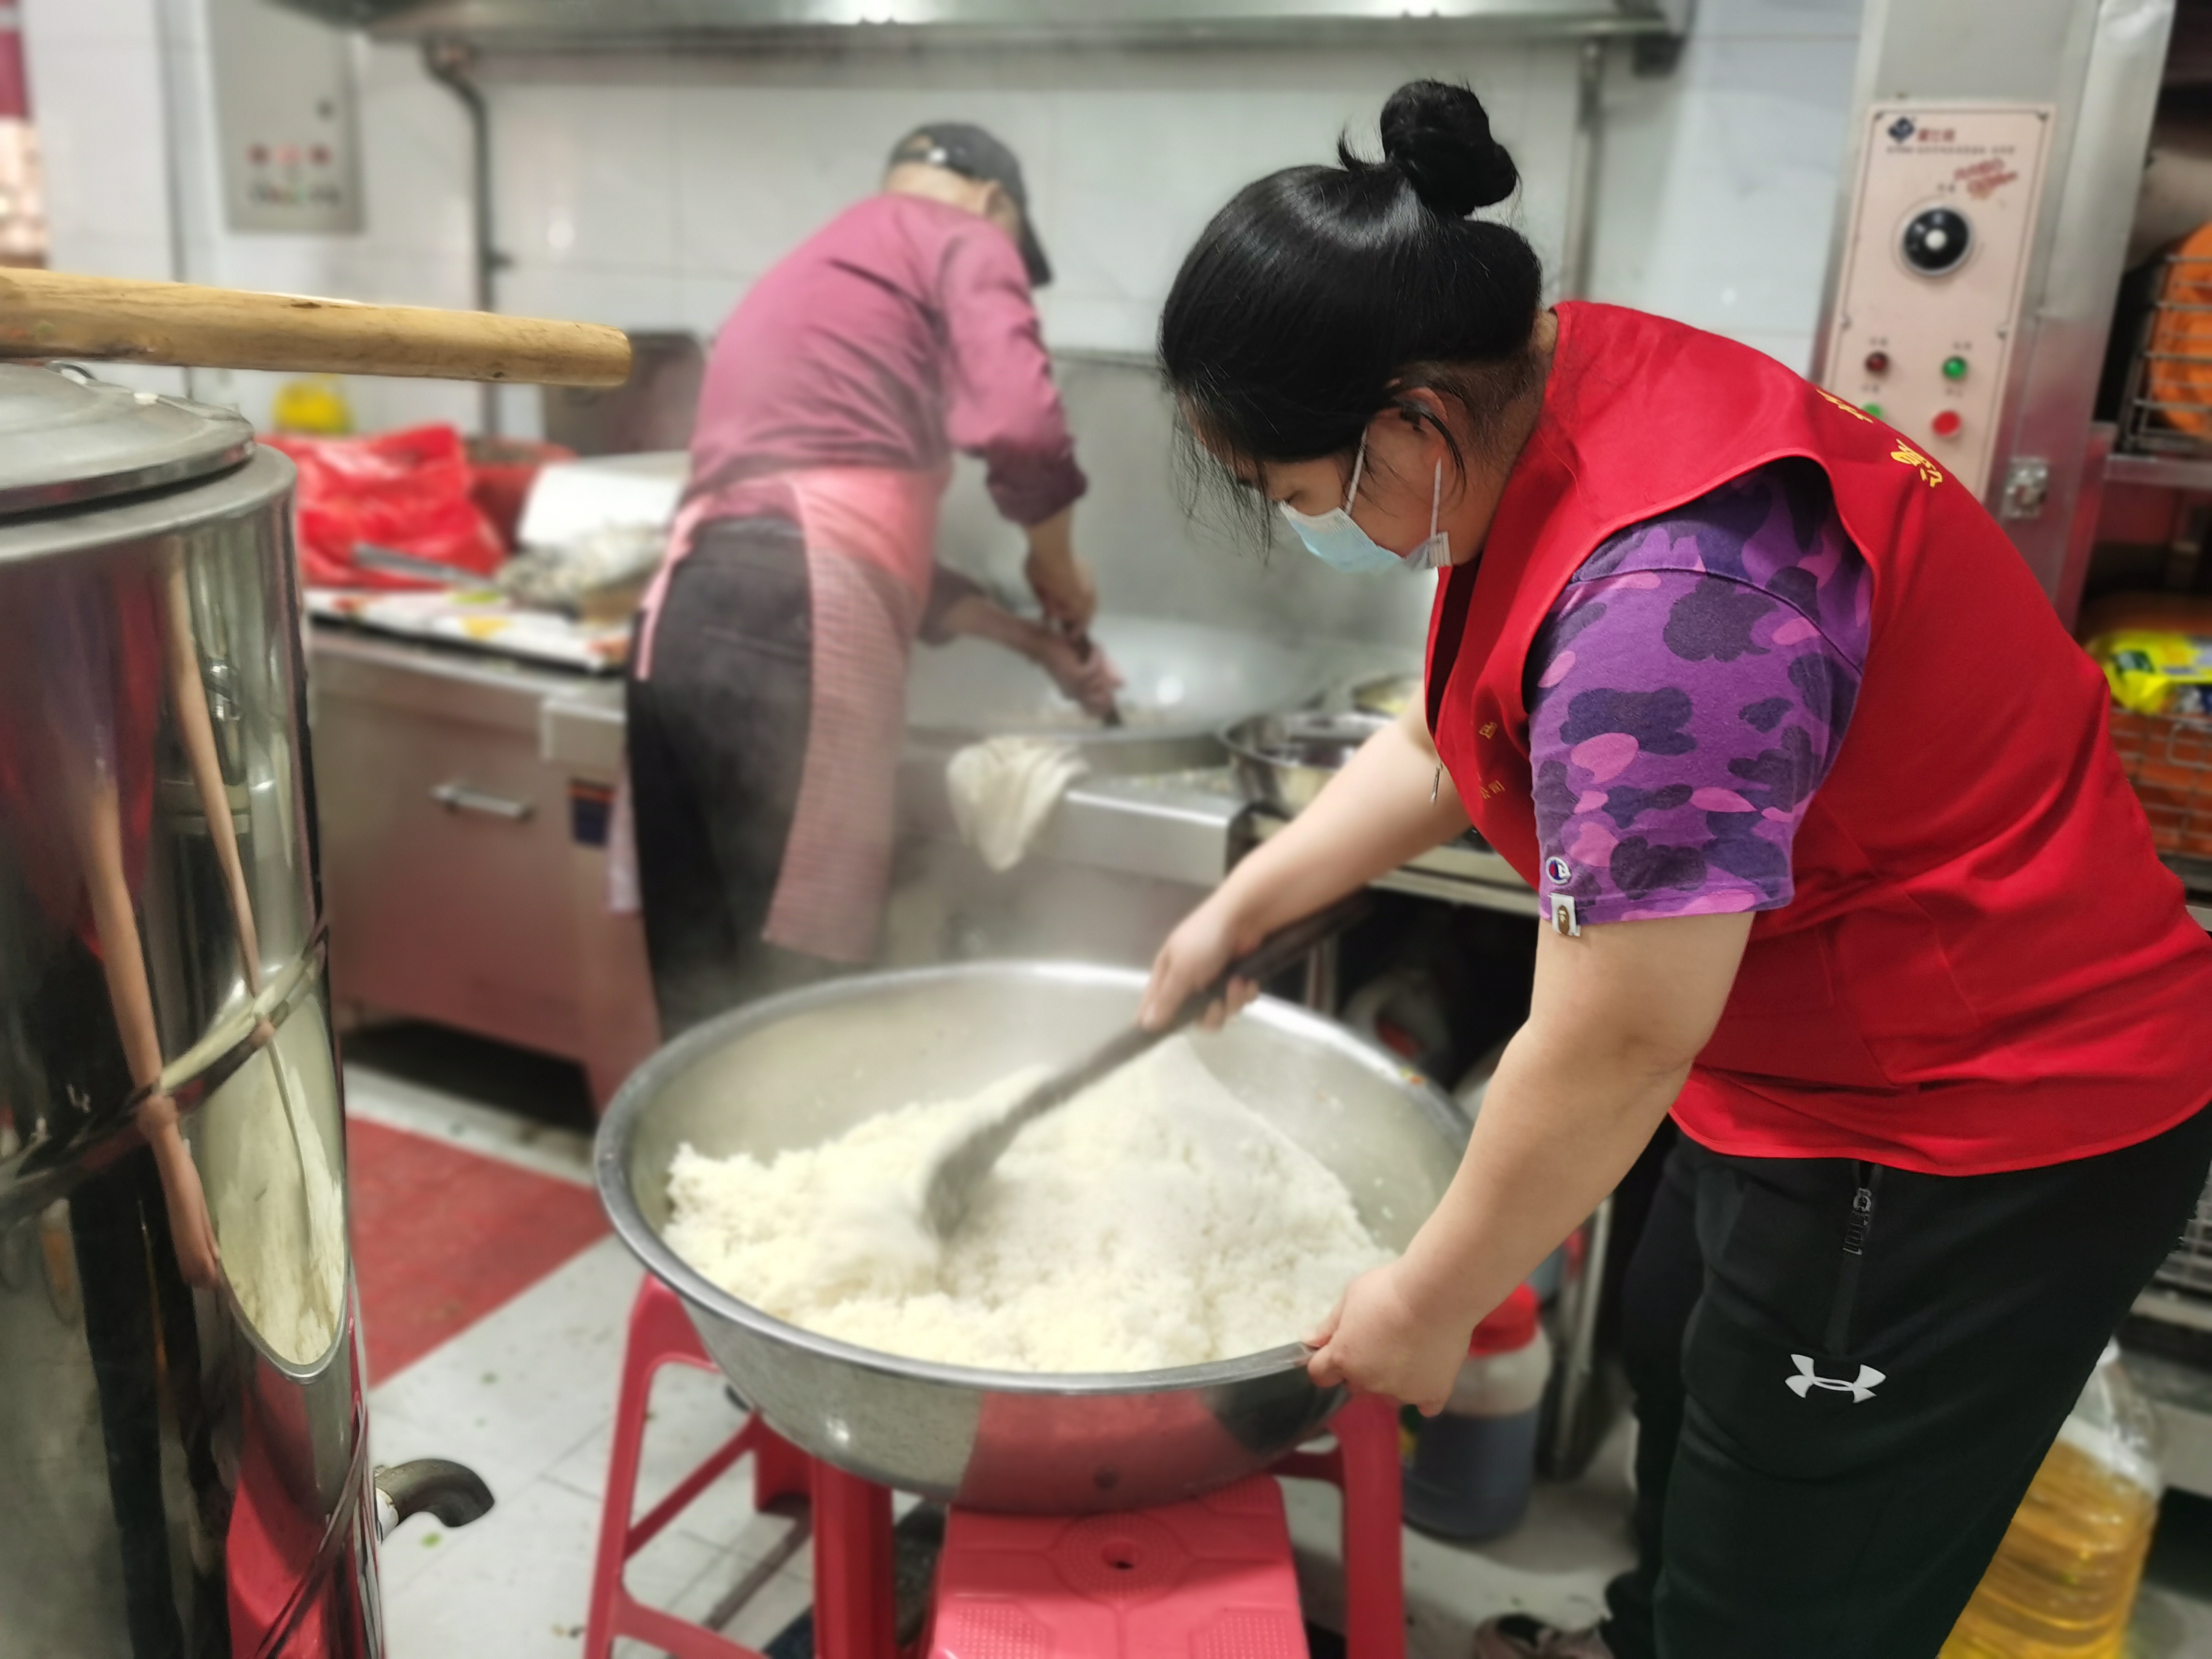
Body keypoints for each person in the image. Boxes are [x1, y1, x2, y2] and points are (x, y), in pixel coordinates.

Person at [1142, 80, 2212, 1659]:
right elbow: (1458, 730)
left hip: (1965, 1119)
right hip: (1792, 1061)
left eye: (1308, 499)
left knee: (1793, 1572)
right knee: (1689, 1386)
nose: (1317, 530)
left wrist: (1429, 1303)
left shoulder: (1672, 603)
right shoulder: (1545, 381)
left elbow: (1618, 1036)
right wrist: (1250, 902)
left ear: (1411, 423)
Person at [626, 121, 1120, 1034]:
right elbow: (1022, 431)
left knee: (702, 977)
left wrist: (1032, 642)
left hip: (680, 618)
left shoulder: (818, 262)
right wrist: (1054, 561)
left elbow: (824, 537)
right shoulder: (966, 235)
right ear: (995, 202)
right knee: (801, 988)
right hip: (792, 624)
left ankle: (690, 1129)